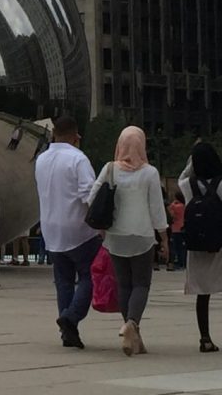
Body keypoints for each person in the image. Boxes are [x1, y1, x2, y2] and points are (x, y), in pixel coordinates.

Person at [87, 126, 168, 356]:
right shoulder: (150, 172)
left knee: (123, 284)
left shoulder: (110, 168)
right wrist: (163, 236)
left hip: (115, 235)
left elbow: (92, 197)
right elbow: (156, 208)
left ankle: (133, 336)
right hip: (142, 235)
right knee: (141, 284)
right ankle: (132, 324)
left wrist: (102, 227)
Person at [35, 115, 101, 349]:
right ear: (76, 136)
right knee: (90, 275)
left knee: (63, 281)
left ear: (54, 133)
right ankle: (71, 317)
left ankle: (67, 331)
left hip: (51, 229)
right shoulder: (78, 158)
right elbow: (88, 195)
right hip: (78, 228)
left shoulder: (41, 160)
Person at [177, 142, 222, 353]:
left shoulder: (188, 184)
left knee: (202, 294)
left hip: (196, 246)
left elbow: (183, 175)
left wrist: (191, 156)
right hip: (219, 244)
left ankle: (205, 338)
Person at [168, 191, 187, 271]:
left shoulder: (175, 206)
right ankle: (184, 263)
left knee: (175, 247)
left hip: (175, 228)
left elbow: (171, 214)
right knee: (183, 247)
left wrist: (172, 204)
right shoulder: (184, 206)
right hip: (183, 228)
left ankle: (178, 263)